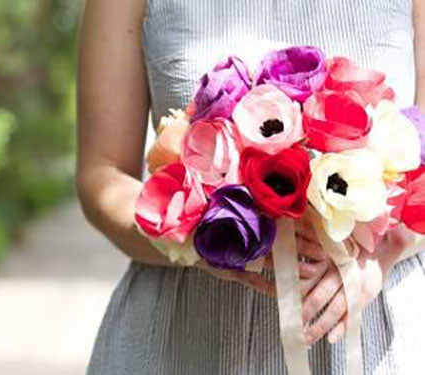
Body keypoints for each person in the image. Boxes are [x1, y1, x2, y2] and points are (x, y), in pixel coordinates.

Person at [77, 0, 425, 373]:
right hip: (185, 335)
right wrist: (199, 237)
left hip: (371, 328)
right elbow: (104, 172)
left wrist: (383, 250)